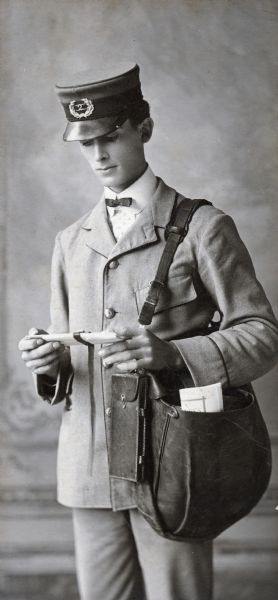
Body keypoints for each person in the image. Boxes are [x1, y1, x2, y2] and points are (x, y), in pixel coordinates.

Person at [18, 63, 278, 600]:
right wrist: (51, 365)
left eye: (111, 136)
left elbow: (261, 334)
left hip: (174, 463)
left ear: (145, 128)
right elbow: (70, 357)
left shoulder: (203, 227)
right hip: (88, 469)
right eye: (86, 143)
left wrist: (173, 355)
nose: (98, 155)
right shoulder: (70, 243)